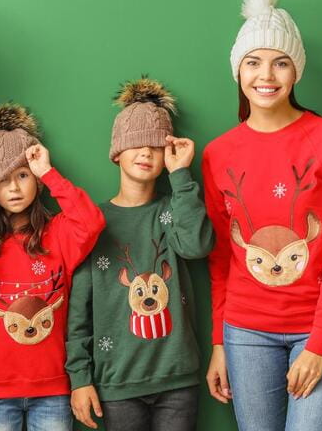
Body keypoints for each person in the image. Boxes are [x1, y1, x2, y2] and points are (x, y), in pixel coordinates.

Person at [201, 0, 322, 431]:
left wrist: (318, 344)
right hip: (246, 332)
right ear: (238, 70)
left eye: (280, 62)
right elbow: (221, 259)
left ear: (296, 70)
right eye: (253, 62)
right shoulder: (218, 154)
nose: (266, 75)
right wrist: (219, 341)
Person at [0, 103, 105, 431]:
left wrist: (49, 173)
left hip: (54, 387)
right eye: (1, 181)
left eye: (23, 175)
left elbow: (91, 223)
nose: (13, 188)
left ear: (36, 180)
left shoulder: (58, 233)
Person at [67, 77, 214, 431]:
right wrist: (80, 378)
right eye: (137, 144)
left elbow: (196, 245)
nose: (147, 152)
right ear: (117, 151)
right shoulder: (94, 222)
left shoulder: (173, 210)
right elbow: (78, 313)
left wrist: (181, 175)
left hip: (177, 378)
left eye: (156, 145)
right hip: (117, 383)